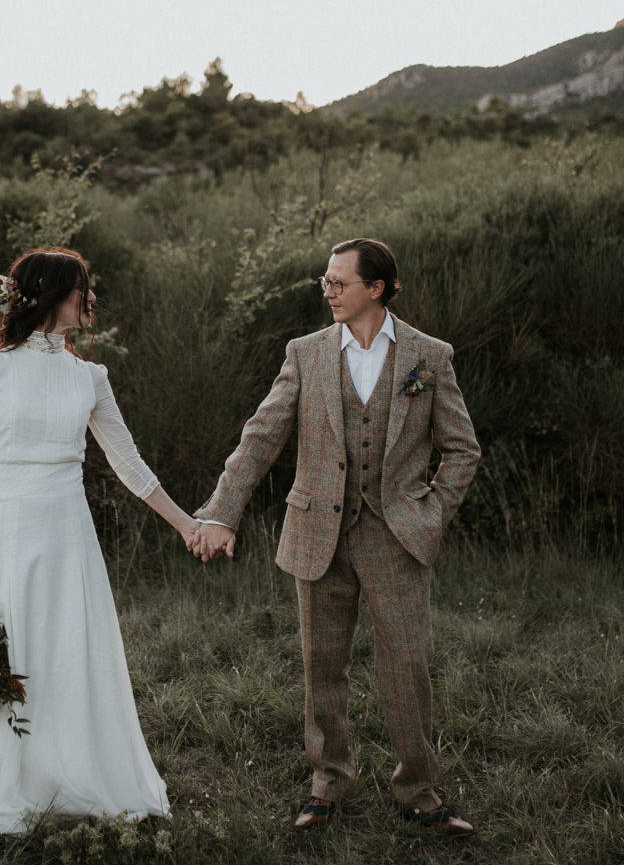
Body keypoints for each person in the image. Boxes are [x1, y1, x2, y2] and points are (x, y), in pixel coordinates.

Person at [193, 237, 481, 836]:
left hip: (396, 537)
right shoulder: (306, 353)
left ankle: (418, 787)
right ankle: (326, 779)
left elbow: (462, 449)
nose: (326, 291)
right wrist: (222, 511)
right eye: (324, 282)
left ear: (375, 289)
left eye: (338, 283)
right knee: (323, 665)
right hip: (316, 533)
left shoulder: (429, 356)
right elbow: (260, 439)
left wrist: (429, 511)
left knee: (408, 664)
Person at [0, 246, 204, 834]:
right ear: (53, 295)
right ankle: (12, 772)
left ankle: (80, 764)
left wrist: (187, 524)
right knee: (15, 646)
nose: (90, 300)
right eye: (82, 288)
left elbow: (129, 465)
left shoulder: (92, 377)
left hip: (68, 532)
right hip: (8, 530)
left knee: (68, 648)